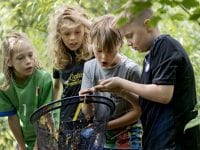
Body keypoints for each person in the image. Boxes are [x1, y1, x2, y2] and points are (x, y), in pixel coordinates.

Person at [92, 8, 200, 150]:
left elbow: (163, 94)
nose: (129, 43)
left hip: (174, 140)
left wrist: (123, 82)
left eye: (130, 35)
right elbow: (148, 102)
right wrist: (121, 90)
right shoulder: (150, 57)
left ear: (148, 25)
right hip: (156, 140)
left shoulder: (165, 45)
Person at [79, 15, 143, 149]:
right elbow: (88, 113)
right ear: (92, 45)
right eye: (99, 50)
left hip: (128, 131)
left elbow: (139, 110)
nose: (103, 57)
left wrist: (105, 126)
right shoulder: (89, 67)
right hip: (101, 131)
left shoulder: (131, 70)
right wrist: (85, 101)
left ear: (119, 44)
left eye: (110, 51)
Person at [47, 5, 93, 148]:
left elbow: (108, 34)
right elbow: (56, 86)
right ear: (59, 34)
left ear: (85, 31)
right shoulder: (60, 60)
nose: (72, 38)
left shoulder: (93, 54)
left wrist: (83, 21)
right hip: (67, 120)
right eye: (67, 34)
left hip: (90, 118)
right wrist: (48, 111)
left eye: (77, 32)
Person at [0, 32, 53, 150]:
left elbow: (46, 117)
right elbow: (12, 118)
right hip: (24, 139)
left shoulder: (43, 79)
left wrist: (37, 146)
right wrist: (22, 146)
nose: (28, 61)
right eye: (21, 58)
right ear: (9, 62)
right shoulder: (3, 84)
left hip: (48, 136)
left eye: (30, 55)